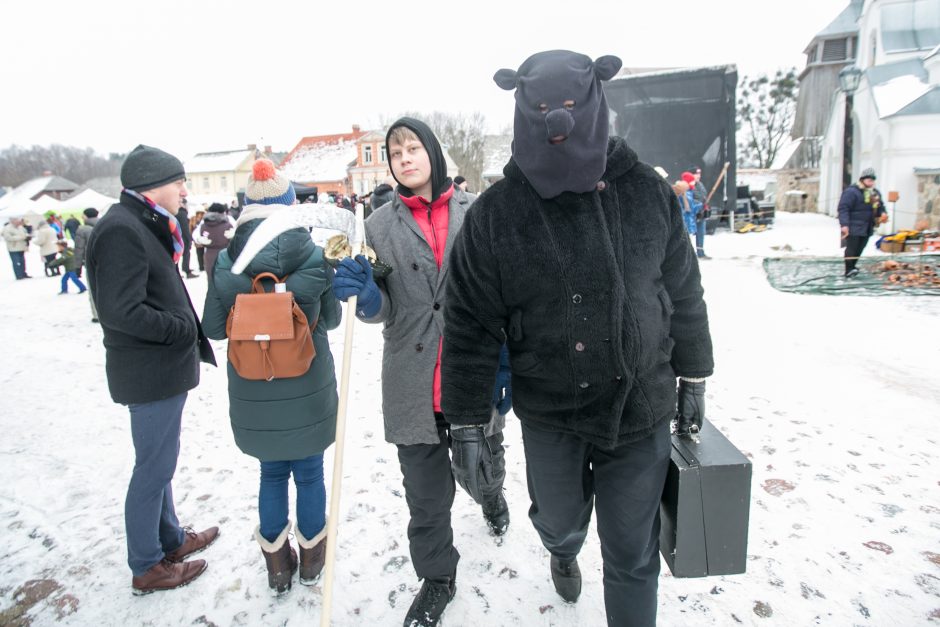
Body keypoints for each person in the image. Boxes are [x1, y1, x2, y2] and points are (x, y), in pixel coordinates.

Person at [441, 51, 714, 627]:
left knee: (632, 555)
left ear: (594, 102)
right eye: (541, 109)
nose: (557, 122)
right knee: (560, 521)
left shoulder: (646, 192)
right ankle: (562, 550)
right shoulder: (496, 214)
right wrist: (466, 420)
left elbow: (684, 291)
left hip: (638, 406)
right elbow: (468, 321)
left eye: (569, 106)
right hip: (551, 412)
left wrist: (695, 373)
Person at [331, 117, 510, 627]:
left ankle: (493, 495)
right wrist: (368, 297)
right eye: (395, 152)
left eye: (413, 148)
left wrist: (503, 363)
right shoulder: (378, 226)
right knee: (427, 500)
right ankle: (437, 577)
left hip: (469, 373)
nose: (404, 158)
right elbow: (383, 306)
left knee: (481, 472)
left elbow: (500, 296)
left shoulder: (476, 214)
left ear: (431, 152)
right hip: (412, 378)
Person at [84, 144, 219, 595]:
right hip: (149, 371)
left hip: (157, 370)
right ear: (152, 185)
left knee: (160, 464)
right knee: (153, 469)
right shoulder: (122, 229)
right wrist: (180, 330)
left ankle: (171, 539)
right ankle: (147, 564)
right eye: (178, 181)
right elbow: (120, 310)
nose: (185, 189)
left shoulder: (140, 222)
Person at [202, 159, 341, 594]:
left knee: (271, 473)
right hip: (308, 386)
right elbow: (333, 319)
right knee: (311, 472)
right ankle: (314, 562)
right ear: (289, 206)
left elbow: (210, 327)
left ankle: (278, 567)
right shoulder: (315, 256)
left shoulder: (226, 263)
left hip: (254, 384)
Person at [839, 167, 887, 278]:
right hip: (854, 225)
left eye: (872, 180)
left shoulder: (875, 193)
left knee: (861, 247)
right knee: (852, 248)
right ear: (862, 180)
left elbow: (880, 206)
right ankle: (849, 269)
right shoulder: (851, 192)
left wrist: (883, 213)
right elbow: (843, 208)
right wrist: (844, 225)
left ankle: (853, 267)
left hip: (868, 226)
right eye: (869, 180)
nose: (871, 182)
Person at [193, 203, 233, 281]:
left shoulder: (204, 223)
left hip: (209, 254)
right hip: (226, 254)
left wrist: (199, 239)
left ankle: (212, 292)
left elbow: (195, 235)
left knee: (212, 278)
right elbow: (237, 230)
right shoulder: (228, 221)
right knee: (226, 279)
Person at [73, 208, 100, 321]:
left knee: (94, 288)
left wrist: (77, 266)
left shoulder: (82, 230)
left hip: (91, 263)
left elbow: (79, 249)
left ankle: (96, 315)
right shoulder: (107, 223)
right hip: (108, 261)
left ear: (86, 216)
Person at [690, 166, 710, 259]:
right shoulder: (688, 186)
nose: (698, 175)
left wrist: (705, 205)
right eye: (696, 173)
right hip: (692, 215)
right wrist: (699, 204)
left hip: (701, 214)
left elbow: (703, 196)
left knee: (701, 233)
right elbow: (689, 199)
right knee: (689, 235)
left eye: (699, 173)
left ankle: (700, 252)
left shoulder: (700, 184)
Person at [177, 198, 197, 279]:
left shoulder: (179, 212)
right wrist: (189, 238)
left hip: (178, 236)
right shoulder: (182, 212)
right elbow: (185, 228)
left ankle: (183, 269)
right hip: (182, 237)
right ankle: (186, 270)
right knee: (185, 254)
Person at [189, 208, 206, 273]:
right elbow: (190, 227)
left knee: (200, 253)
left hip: (198, 238)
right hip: (200, 237)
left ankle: (202, 266)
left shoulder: (195, 218)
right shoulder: (194, 218)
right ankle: (202, 266)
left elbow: (190, 228)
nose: (200, 215)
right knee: (201, 252)